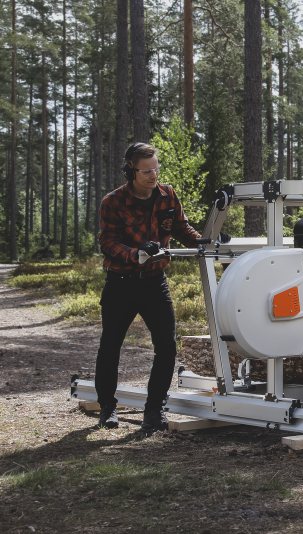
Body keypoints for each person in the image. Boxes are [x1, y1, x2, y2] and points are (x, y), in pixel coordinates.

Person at [95, 142, 202, 433]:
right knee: (110, 346)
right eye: (146, 171)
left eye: (156, 169)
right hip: (121, 283)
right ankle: (107, 408)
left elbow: (181, 228)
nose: (153, 175)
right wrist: (136, 252)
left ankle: (154, 411)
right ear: (131, 171)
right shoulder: (113, 201)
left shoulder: (167, 195)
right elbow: (107, 242)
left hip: (155, 283)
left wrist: (204, 241)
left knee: (166, 347)